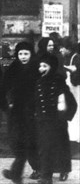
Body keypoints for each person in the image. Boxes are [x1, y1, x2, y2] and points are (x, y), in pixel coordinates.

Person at [0, 41, 41, 184]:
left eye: (26, 54)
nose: (23, 57)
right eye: (20, 54)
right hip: (17, 112)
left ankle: (19, 173)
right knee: (19, 142)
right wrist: (6, 107)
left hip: (33, 112)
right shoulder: (13, 68)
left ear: (31, 54)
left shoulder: (37, 68)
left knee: (30, 142)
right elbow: (1, 90)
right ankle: (22, 171)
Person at [35, 54, 77, 184]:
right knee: (45, 147)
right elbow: (35, 101)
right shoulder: (38, 82)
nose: (41, 69)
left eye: (44, 66)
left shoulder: (59, 82)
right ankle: (46, 176)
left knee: (61, 147)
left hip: (57, 121)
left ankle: (64, 169)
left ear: (51, 67)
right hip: (43, 120)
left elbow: (72, 103)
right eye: (40, 66)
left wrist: (65, 117)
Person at [62, 38, 80, 148]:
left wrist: (69, 69)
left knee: (76, 113)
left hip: (75, 90)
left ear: (68, 48)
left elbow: (76, 74)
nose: (61, 50)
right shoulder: (71, 57)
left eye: (62, 48)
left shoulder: (76, 58)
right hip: (73, 90)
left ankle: (74, 137)